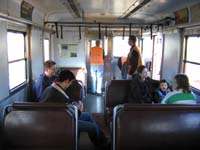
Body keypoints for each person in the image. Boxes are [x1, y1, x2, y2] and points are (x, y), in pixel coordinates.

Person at [40, 70, 109, 148]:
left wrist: (74, 106)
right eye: (70, 83)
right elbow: (71, 117)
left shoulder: (51, 88)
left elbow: (65, 108)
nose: (69, 85)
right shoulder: (58, 95)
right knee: (92, 127)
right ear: (66, 81)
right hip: (60, 123)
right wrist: (79, 109)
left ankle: (102, 140)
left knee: (88, 115)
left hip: (53, 117)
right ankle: (103, 145)